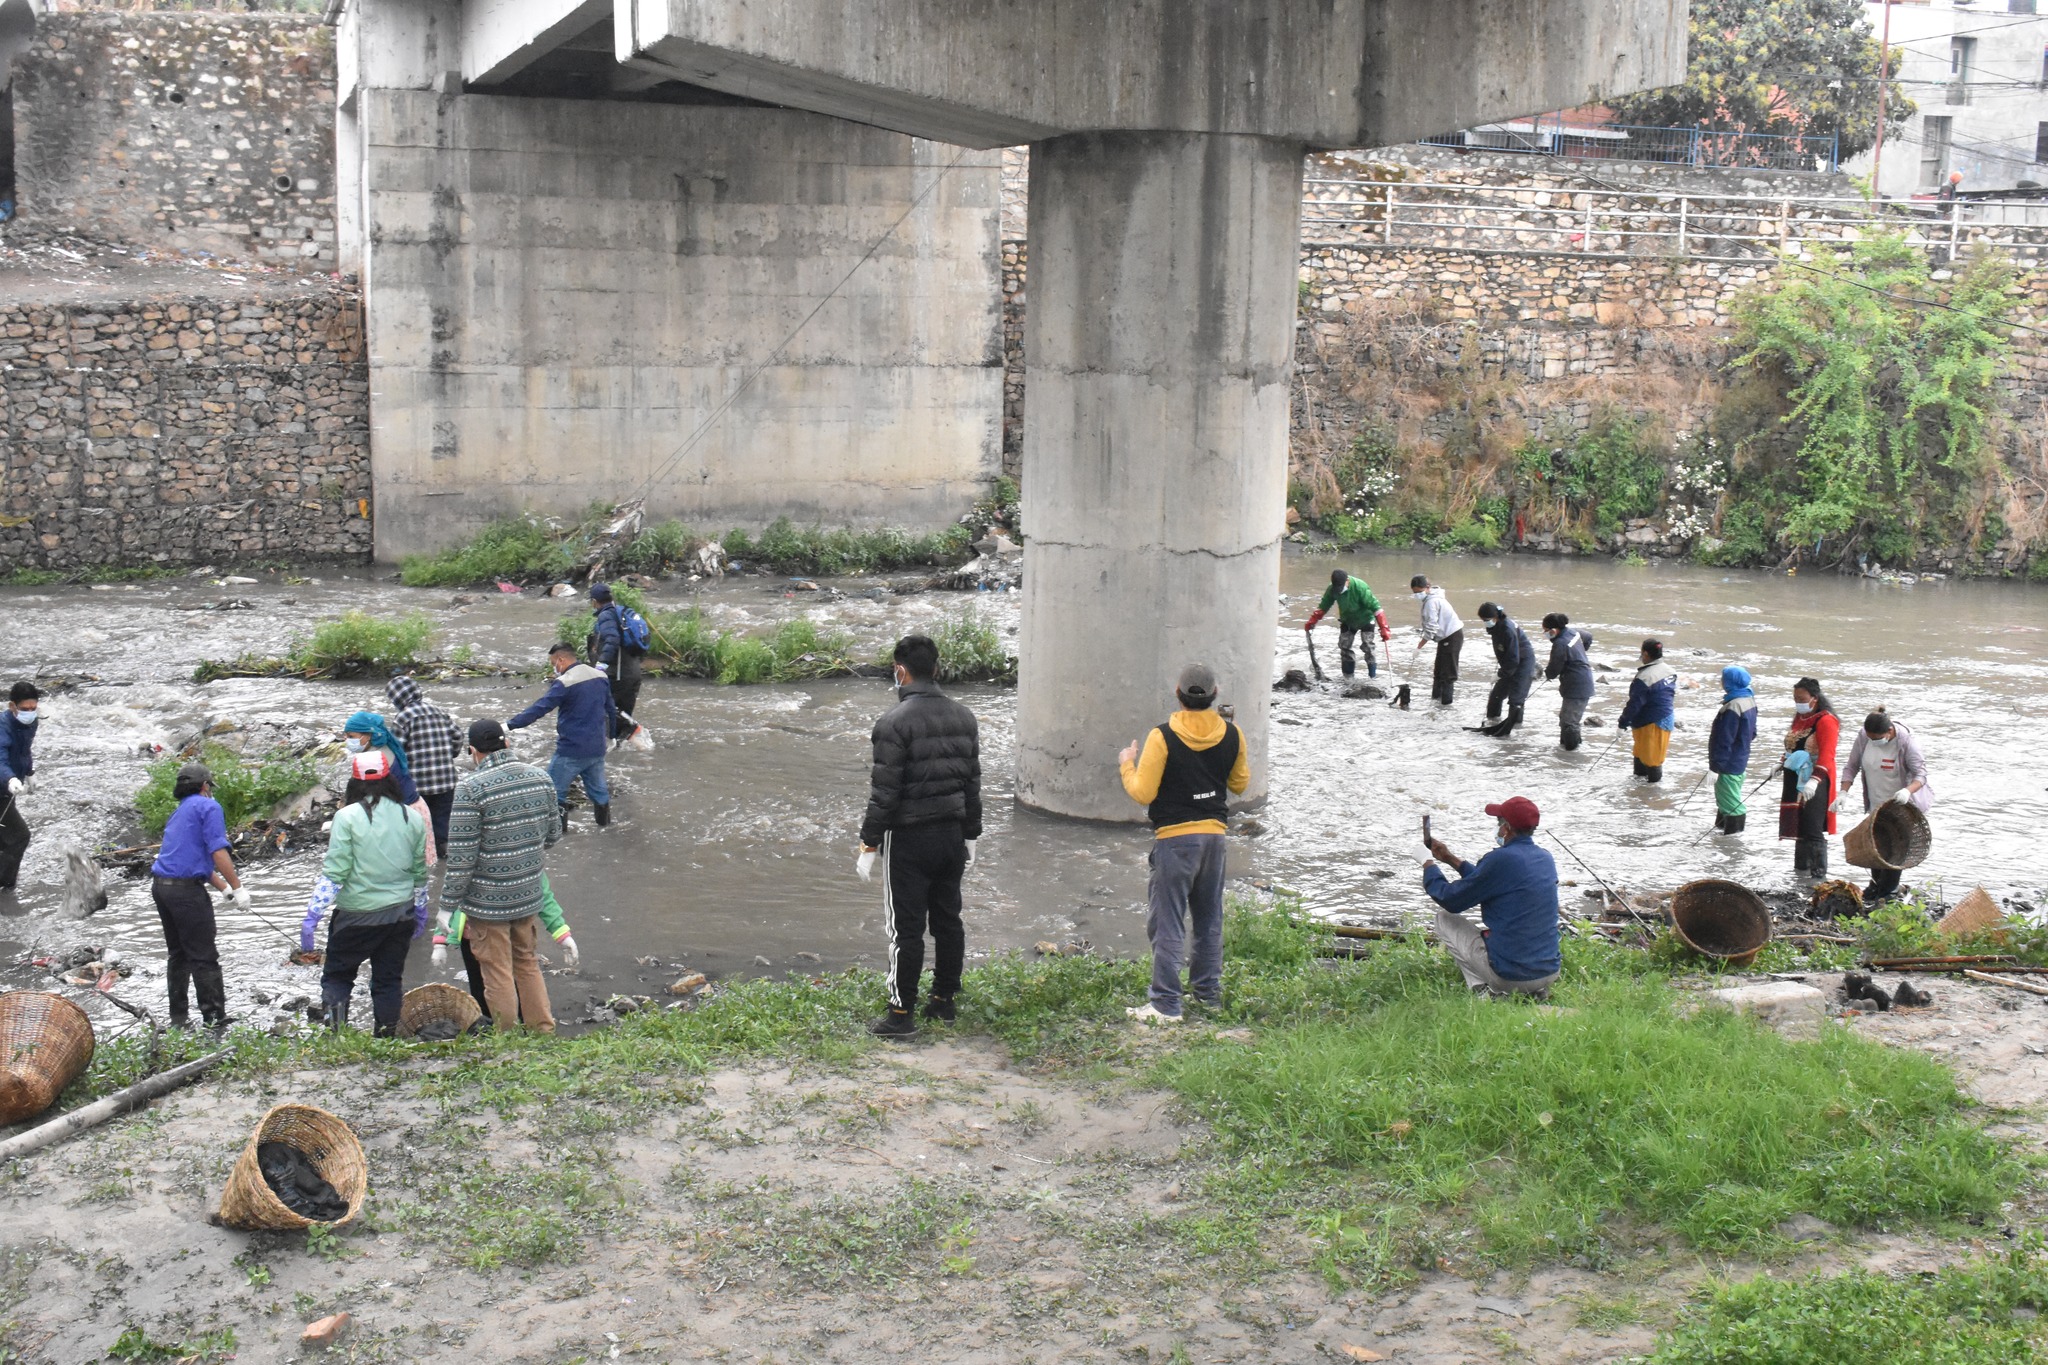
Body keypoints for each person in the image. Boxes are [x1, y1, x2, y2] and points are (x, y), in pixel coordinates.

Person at [857, 635, 982, 1038]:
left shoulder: (893, 724)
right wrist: (972, 834)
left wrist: (869, 843)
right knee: (949, 920)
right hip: (951, 836)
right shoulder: (964, 717)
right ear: (937, 670)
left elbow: (885, 793)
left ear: (900, 672)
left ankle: (900, 1015)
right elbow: (972, 784)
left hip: (908, 840)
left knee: (905, 929)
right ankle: (944, 1002)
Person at [1118, 663, 1251, 1024]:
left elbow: (1143, 792)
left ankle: (1165, 1005)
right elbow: (1240, 784)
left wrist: (1127, 764)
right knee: (1209, 920)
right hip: (1215, 839)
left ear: (1177, 694)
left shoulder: (1161, 736)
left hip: (1175, 840)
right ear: (1214, 694)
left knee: (1168, 922)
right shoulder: (1233, 734)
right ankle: (1207, 996)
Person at [431, 719, 565, 1033]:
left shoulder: (470, 788)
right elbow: (553, 836)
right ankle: (543, 1030)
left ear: (472, 752)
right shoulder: (540, 778)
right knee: (528, 963)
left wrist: (447, 907)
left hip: (486, 904)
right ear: (506, 744)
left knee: (497, 972)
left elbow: (462, 859)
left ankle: (507, 1038)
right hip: (528, 895)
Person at [300, 749, 428, 1035]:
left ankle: (339, 1037)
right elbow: (420, 872)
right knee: (388, 979)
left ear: (354, 783)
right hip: (400, 915)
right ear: (390, 780)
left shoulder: (346, 817)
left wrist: (313, 914)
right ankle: (385, 1038)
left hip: (356, 916)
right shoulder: (412, 817)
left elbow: (336, 873)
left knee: (338, 976)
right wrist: (420, 908)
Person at [1422, 796, 1561, 998]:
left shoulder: (1500, 859)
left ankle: (1487, 992)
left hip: (1511, 976)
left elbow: (1451, 900)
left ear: (1506, 829)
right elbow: (1488, 881)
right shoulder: (1545, 858)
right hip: (1549, 971)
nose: (1497, 829)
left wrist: (1428, 865)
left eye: (1499, 824)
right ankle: (1531, 992)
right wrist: (1450, 859)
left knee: (1443, 919)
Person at [148, 762, 249, 1030]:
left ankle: (178, 1018)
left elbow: (187, 857)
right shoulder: (209, 807)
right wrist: (237, 886)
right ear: (205, 786)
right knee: (204, 956)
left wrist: (221, 887)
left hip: (162, 888)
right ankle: (215, 1020)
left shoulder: (180, 811)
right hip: (185, 893)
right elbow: (217, 851)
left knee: (178, 953)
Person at [507, 642, 619, 828]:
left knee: (553, 791)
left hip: (571, 750)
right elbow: (611, 710)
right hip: (597, 748)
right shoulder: (600, 676)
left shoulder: (565, 682)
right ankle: (605, 827)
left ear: (561, 659)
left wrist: (509, 725)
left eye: (553, 663)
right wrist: (612, 736)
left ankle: (559, 835)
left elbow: (540, 708)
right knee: (599, 791)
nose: (554, 668)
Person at [456, 874, 579, 1025]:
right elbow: (540, 885)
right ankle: (539, 1029)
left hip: (482, 922)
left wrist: (441, 936)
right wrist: (559, 930)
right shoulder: (529, 854)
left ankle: (506, 1034)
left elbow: (457, 877)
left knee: (497, 977)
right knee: (525, 968)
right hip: (515, 915)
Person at [1844, 709, 1934, 902]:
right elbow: (1852, 765)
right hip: (1876, 803)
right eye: (1870, 738)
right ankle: (1876, 887)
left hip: (1900, 806)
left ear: (1890, 731)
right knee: (1875, 846)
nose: (1873, 742)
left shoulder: (1908, 743)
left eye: (1877, 739)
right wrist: (1843, 792)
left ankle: (1888, 893)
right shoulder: (1864, 736)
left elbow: (1921, 775)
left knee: (1895, 850)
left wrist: (1907, 791)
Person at [342, 710, 436, 865]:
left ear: (369, 735)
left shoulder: (376, 760)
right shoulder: (383, 749)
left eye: (351, 736)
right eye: (346, 735)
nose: (347, 740)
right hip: (412, 811)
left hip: (406, 816)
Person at [385, 676, 464, 857]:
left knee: (420, 821)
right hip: (446, 779)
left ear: (397, 697)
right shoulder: (439, 711)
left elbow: (397, 751)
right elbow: (458, 736)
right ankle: (443, 851)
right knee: (443, 817)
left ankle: (425, 856)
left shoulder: (403, 718)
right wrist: (449, 755)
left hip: (419, 783)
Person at [1781, 677, 1841, 881]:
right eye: (1795, 698)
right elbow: (1793, 745)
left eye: (1801, 698)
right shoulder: (1800, 716)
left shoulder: (1826, 721)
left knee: (1813, 826)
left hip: (1817, 779)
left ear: (1814, 699)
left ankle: (1818, 877)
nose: (1798, 702)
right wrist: (1781, 762)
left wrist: (1814, 780)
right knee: (1800, 825)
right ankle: (1800, 872)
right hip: (1795, 777)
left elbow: (1827, 754)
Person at [1304, 568, 1391, 680]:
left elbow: (1376, 608)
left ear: (1347, 581)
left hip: (1366, 619)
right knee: (1344, 647)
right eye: (1337, 588)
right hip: (1347, 620)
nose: (1339, 591)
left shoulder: (1360, 587)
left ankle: (1372, 677)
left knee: (1368, 646)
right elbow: (1324, 606)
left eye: (1341, 587)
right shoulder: (1332, 589)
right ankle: (1348, 678)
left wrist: (1384, 627)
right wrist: (1312, 621)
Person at [586, 582, 646, 741]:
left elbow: (612, 639)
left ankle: (632, 730)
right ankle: (622, 750)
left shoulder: (606, 615)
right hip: (632, 673)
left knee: (604, 711)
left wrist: (601, 664)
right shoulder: (621, 614)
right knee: (621, 716)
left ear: (594, 601)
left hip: (617, 675)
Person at [1615, 639, 1676, 783]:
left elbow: (1634, 704)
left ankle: (1651, 795)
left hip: (1652, 723)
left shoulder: (1645, 677)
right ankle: (1641, 794)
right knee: (1642, 754)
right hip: (1662, 718)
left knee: (1652, 760)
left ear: (1646, 654)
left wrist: (1622, 723)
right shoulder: (1670, 671)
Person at [1708, 666, 1759, 836]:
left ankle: (1733, 842)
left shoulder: (1733, 706)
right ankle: (1720, 833)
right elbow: (1752, 733)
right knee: (1726, 799)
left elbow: (1724, 740)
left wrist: (1715, 767)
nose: (1721, 681)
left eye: (1723, 678)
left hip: (1728, 764)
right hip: (1740, 759)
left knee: (1731, 804)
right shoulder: (1749, 700)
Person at [1474, 603, 1538, 738]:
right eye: (1483, 620)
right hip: (1509, 663)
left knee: (1516, 699)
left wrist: (1500, 674)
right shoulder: (1496, 626)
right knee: (1496, 695)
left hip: (1523, 662)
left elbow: (1514, 658)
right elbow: (1504, 650)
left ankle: (1514, 730)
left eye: (1487, 620)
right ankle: (1493, 721)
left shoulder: (1507, 629)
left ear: (1495, 617)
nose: (1485, 623)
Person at [0, 681, 40, 893]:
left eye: (34, 709)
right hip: (3, 785)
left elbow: (24, 750)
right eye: (25, 710)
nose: (30, 713)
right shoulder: (2, 727)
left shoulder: (30, 723)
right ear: (12, 706)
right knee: (19, 836)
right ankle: (6, 886)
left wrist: (29, 772)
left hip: (8, 786)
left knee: (4, 838)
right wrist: (9, 778)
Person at [1540, 614, 1595, 751]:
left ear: (1554, 630)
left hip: (1577, 686)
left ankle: (1571, 754)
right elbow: (1588, 637)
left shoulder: (1560, 644)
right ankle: (1567, 749)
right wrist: (1581, 653)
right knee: (1566, 718)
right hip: (1581, 681)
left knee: (1570, 723)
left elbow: (1554, 668)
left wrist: (1548, 675)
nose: (1545, 633)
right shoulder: (1573, 632)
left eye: (1546, 630)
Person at [1410, 576, 1464, 705]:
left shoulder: (1431, 602)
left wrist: (1419, 647)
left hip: (1452, 636)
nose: (1417, 595)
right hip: (1444, 637)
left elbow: (1431, 628)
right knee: (1438, 672)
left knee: (1448, 675)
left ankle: (1445, 705)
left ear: (1427, 588)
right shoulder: (1431, 599)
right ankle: (1435, 702)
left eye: (1419, 592)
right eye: (1415, 593)